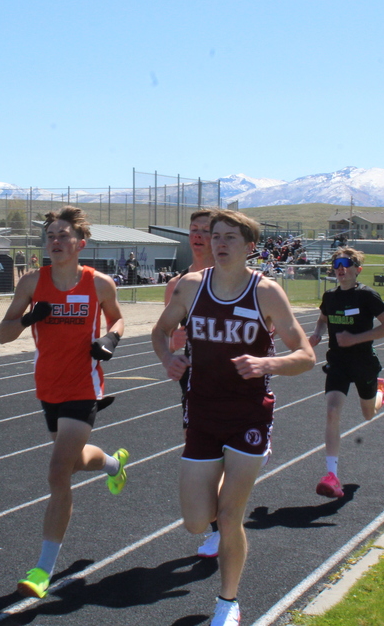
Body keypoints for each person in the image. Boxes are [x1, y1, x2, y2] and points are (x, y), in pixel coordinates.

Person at [152, 209, 315, 626]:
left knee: (229, 518)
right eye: (214, 235)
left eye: (229, 238)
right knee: (193, 522)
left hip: (248, 416)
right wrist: (169, 356)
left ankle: (228, 603)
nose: (219, 243)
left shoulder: (266, 292)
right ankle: (220, 489)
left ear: (249, 248)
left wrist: (268, 365)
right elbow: (160, 330)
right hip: (202, 413)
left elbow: (306, 356)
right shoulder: (190, 287)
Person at [0, 206, 128, 600]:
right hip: (47, 387)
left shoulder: (100, 284)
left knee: (58, 473)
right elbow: (3, 335)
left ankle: (42, 569)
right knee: (69, 459)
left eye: (63, 236)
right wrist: (26, 320)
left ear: (80, 244)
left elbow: (118, 320)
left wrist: (110, 340)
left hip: (84, 386)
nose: (55, 242)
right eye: (50, 236)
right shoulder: (32, 283)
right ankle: (111, 463)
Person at [307, 247, 384, 499]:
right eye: (336, 264)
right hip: (338, 363)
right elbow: (323, 319)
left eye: (346, 263)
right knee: (332, 411)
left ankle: (379, 391)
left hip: (364, 363)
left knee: (368, 414)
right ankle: (332, 475)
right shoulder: (330, 296)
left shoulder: (367, 296)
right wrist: (317, 334)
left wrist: (355, 338)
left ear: (358, 269)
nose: (340, 268)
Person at [163, 209, 219, 558]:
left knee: (228, 454)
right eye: (193, 230)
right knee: (201, 453)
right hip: (194, 377)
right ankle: (219, 526)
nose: (197, 236)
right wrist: (174, 349)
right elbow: (167, 338)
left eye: (205, 231)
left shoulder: (236, 277)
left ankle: (224, 520)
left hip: (233, 377)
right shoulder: (178, 285)